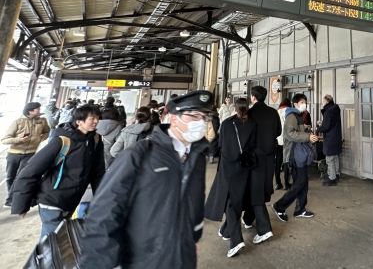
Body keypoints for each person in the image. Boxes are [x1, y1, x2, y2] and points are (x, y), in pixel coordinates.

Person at [81, 91, 215, 269]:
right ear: (175, 119)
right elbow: (103, 212)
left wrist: (194, 239)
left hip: (183, 255)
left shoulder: (197, 157)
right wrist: (103, 262)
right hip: (143, 258)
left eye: (204, 117)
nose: (201, 123)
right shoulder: (140, 154)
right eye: (194, 116)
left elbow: (196, 202)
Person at [11, 104, 105, 239]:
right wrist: (21, 204)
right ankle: (41, 260)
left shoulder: (94, 140)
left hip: (72, 199)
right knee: (52, 242)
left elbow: (98, 172)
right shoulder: (62, 141)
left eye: (97, 118)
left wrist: (101, 197)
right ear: (79, 121)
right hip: (52, 198)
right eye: (92, 118)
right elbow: (30, 171)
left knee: (60, 241)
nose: (96, 121)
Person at [205, 98, 256, 258]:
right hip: (243, 167)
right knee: (236, 199)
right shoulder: (252, 124)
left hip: (227, 167)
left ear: (234, 107)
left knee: (228, 201)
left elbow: (220, 144)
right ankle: (226, 230)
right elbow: (253, 145)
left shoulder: (227, 123)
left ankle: (236, 240)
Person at [242, 86, 281, 239]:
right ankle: (248, 218)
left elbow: (245, 134)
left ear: (253, 97)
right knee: (262, 187)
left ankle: (264, 229)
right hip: (270, 155)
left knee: (255, 189)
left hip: (254, 157)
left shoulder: (249, 113)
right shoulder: (273, 112)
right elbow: (278, 131)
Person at [272, 94, 318, 222]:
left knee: (303, 182)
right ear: (296, 104)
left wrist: (307, 130)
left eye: (305, 102)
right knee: (300, 183)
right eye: (302, 102)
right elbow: (289, 133)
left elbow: (298, 130)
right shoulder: (291, 116)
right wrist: (307, 137)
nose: (305, 104)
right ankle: (279, 206)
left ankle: (300, 209)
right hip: (294, 155)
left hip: (299, 155)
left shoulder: (298, 116)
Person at [1, 101, 50, 208]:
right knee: (10, 177)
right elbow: (4, 140)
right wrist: (18, 139)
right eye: (38, 109)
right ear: (31, 111)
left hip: (30, 153)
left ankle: (11, 199)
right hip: (14, 153)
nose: (39, 111)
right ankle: (13, 195)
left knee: (20, 176)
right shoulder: (17, 122)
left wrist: (40, 138)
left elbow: (47, 132)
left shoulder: (42, 121)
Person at [317, 94, 342, 186]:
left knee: (330, 158)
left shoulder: (328, 111)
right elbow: (332, 123)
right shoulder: (335, 109)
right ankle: (336, 174)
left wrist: (318, 128)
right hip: (336, 137)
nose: (322, 103)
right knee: (335, 157)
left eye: (323, 101)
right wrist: (324, 122)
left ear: (326, 102)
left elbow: (326, 127)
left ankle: (332, 179)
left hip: (330, 138)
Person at [275, 98, 292, 190]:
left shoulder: (276, 112)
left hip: (278, 140)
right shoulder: (289, 112)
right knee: (286, 161)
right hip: (287, 140)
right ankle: (286, 183)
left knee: (278, 162)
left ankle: (278, 183)